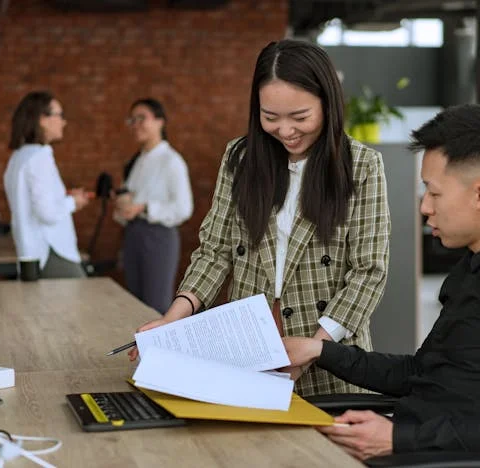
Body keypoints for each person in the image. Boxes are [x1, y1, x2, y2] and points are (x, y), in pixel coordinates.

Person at [282, 104, 480, 460]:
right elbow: (422, 372)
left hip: (440, 457)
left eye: (434, 193)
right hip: (417, 443)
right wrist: (319, 350)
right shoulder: (477, 264)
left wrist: (398, 439)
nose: (425, 208)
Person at [129, 39, 391, 397]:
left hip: (330, 350)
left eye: (300, 117)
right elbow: (215, 251)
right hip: (249, 349)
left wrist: (316, 346)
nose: (286, 131)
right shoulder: (240, 159)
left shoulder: (362, 166)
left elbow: (368, 272)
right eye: (271, 117)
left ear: (328, 104)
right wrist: (172, 319)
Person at [114, 98, 193, 313]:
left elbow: (184, 208)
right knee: (134, 305)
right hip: (133, 234)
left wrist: (144, 208)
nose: (136, 125)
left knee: (155, 306)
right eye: (132, 120)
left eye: (142, 118)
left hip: (158, 237)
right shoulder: (136, 161)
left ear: (160, 121)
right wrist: (123, 206)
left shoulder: (171, 161)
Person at [4, 91, 92, 279]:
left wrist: (64, 197)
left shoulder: (18, 157)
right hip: (52, 251)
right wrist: (73, 202)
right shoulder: (40, 156)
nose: (64, 122)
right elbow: (48, 213)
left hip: (31, 253)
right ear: (42, 120)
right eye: (60, 115)